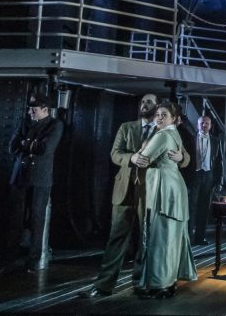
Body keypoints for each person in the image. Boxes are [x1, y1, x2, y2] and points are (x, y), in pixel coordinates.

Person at [80, 94, 190, 298]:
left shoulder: (165, 129)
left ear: (158, 107)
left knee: (146, 238)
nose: (144, 105)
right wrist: (131, 157)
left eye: (149, 102)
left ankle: (141, 283)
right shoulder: (126, 127)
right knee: (117, 237)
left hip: (150, 192)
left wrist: (182, 157)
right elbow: (114, 154)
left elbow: (184, 155)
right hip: (125, 189)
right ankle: (103, 285)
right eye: (142, 102)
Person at [0, 91, 65, 273]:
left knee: (37, 220)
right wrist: (30, 145)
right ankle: (8, 260)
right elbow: (12, 147)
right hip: (20, 177)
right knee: (14, 220)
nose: (29, 112)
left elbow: (45, 148)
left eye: (33, 109)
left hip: (40, 179)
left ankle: (32, 261)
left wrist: (24, 144)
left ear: (45, 109)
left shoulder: (55, 125)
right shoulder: (24, 123)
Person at [137, 101, 197, 298]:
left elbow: (144, 158)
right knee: (171, 236)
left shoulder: (163, 135)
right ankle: (169, 281)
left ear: (173, 119)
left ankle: (159, 284)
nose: (159, 118)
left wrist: (140, 152)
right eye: (158, 114)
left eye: (164, 115)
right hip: (175, 187)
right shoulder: (174, 133)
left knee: (161, 237)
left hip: (164, 189)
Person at [188, 114, 223, 246]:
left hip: (209, 177)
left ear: (210, 125)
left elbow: (219, 162)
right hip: (194, 176)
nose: (204, 125)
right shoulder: (191, 139)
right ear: (197, 125)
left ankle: (200, 237)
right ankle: (188, 237)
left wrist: (219, 181)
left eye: (206, 123)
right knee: (191, 207)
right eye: (202, 123)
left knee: (204, 208)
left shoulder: (216, 141)